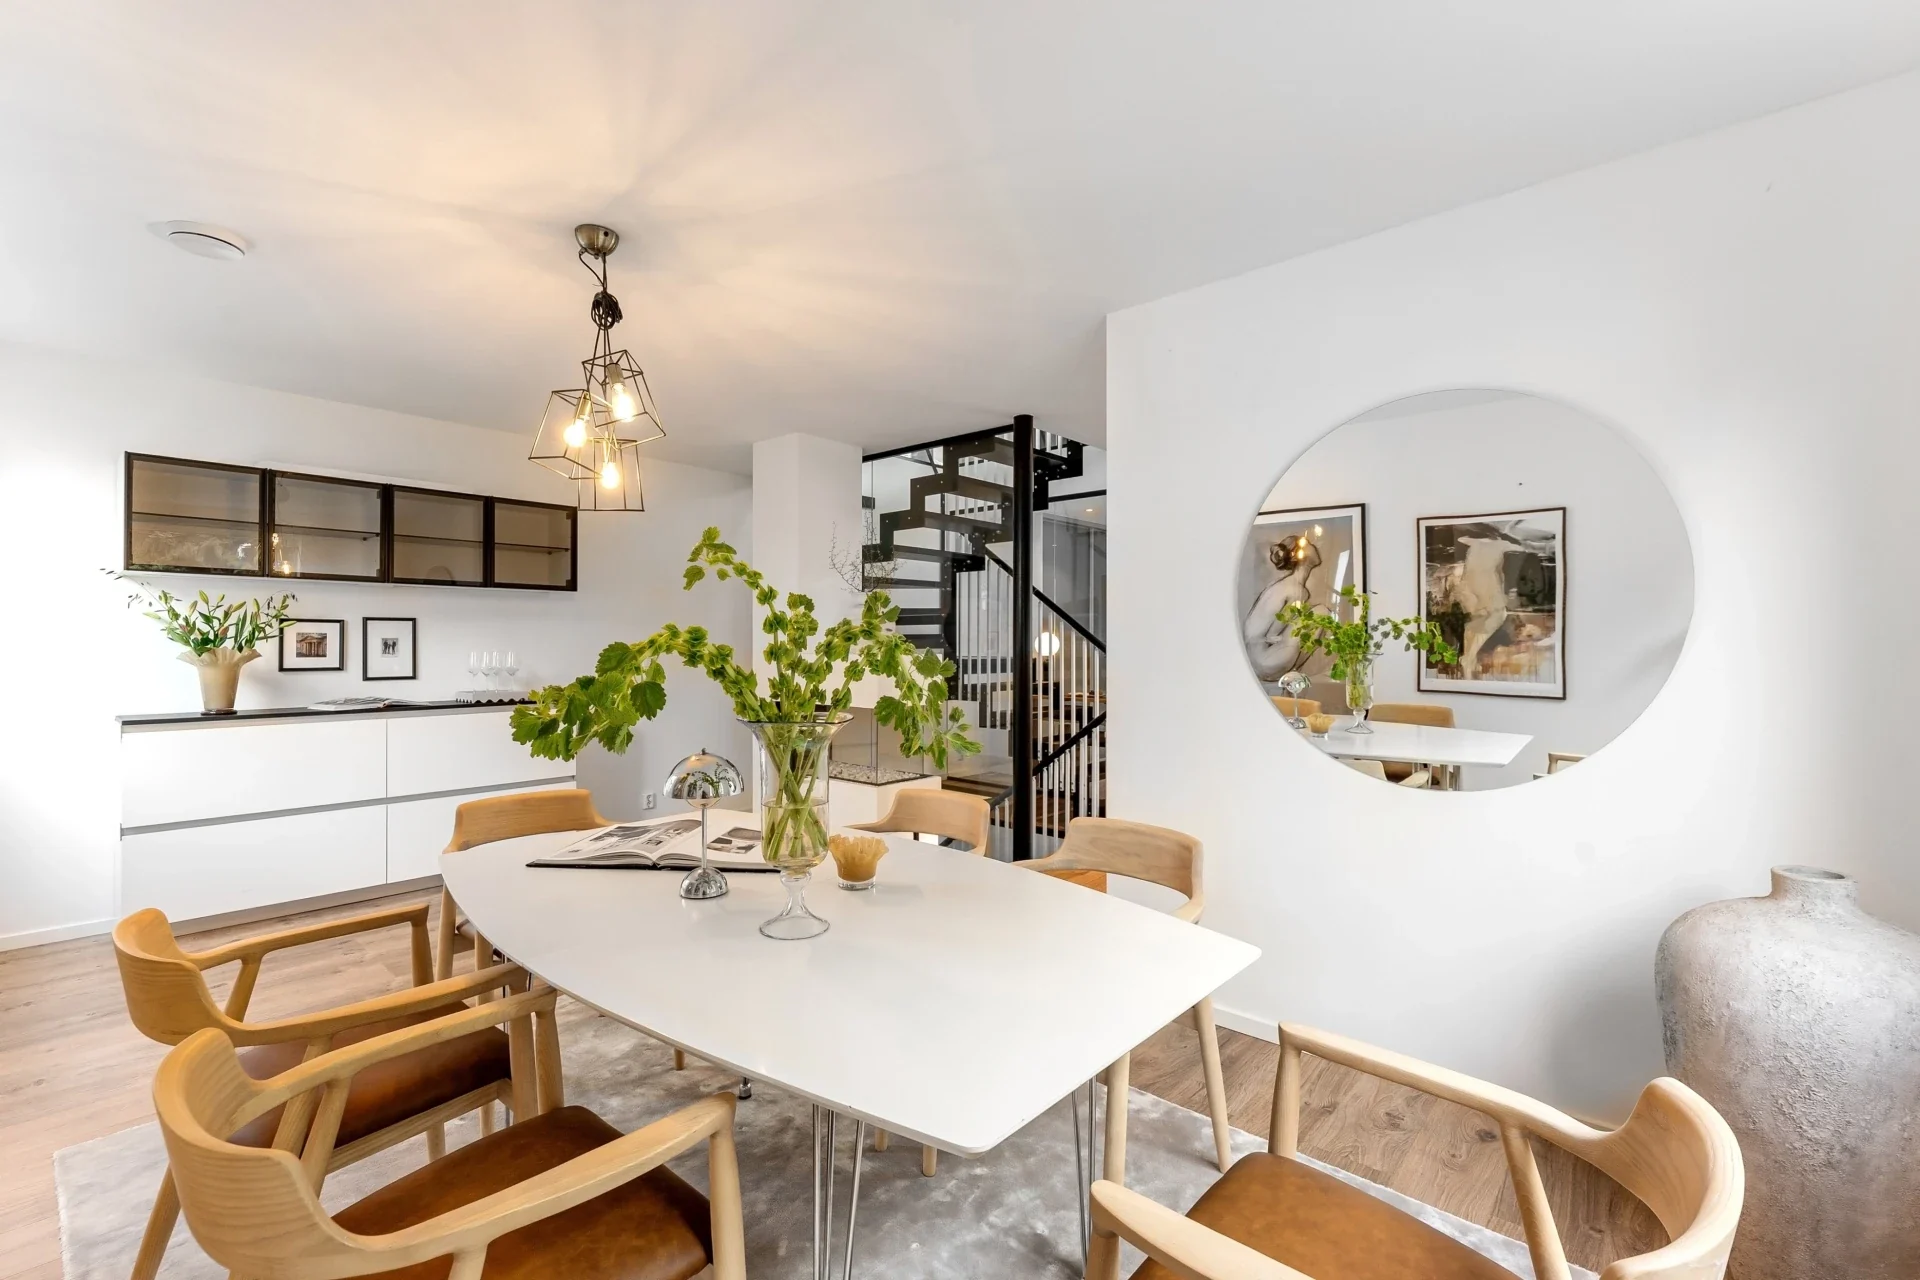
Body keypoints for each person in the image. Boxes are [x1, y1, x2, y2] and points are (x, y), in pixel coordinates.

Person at [1244, 534, 1321, 682]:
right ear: (1298, 554)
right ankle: (1291, 674)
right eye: (1308, 544)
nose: (1314, 546)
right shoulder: (1296, 590)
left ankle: (1291, 673)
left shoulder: (1290, 585)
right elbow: (1273, 636)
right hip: (1265, 658)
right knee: (1322, 613)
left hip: (1256, 660)